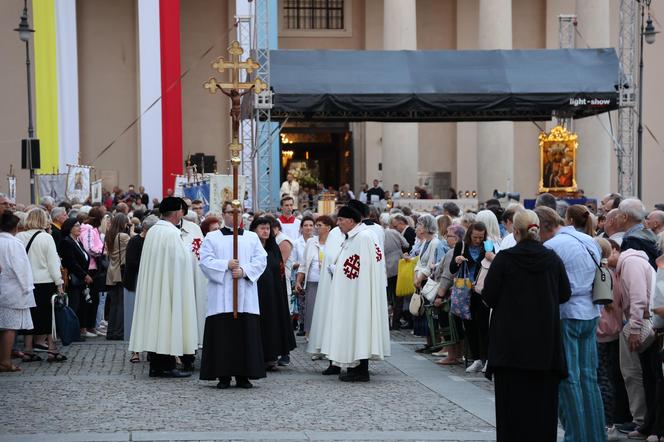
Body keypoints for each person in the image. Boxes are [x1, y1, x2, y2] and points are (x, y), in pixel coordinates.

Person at [481, 209, 571, 441]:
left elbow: (489, 296)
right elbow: (564, 293)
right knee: (543, 409)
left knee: (511, 410)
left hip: (510, 347)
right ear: (537, 230)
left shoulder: (504, 259)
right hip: (544, 345)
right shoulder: (552, 259)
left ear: (515, 231)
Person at [536, 206, 606, 442]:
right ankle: (596, 434)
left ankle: (576, 436)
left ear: (543, 226)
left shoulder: (553, 246)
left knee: (569, 378)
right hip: (591, 311)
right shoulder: (589, 239)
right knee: (589, 378)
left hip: (567, 313)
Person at [198, 202, 268, 389]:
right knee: (223, 335)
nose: (235, 216)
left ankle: (244, 375)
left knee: (245, 335)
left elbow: (261, 260)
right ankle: (223, 375)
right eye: (231, 212)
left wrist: (244, 271)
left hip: (245, 296)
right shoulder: (212, 237)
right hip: (221, 296)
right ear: (223, 214)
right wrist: (225, 265)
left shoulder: (252, 238)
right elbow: (204, 261)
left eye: (239, 212)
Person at [319, 205, 390, 382]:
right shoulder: (354, 237)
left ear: (351, 221)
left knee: (361, 326)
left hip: (360, 293)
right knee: (354, 327)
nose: (339, 223)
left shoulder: (364, 237)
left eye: (341, 220)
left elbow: (365, 267)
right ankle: (355, 366)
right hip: (352, 291)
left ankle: (361, 370)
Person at [129, 197, 198, 378]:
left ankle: (157, 365)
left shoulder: (153, 231)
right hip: (168, 286)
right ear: (177, 213)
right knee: (167, 322)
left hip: (156, 286)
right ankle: (167, 366)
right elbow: (181, 260)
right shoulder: (171, 233)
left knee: (157, 323)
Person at [611, 243, 659, 440]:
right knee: (643, 373)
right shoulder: (629, 264)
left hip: (640, 322)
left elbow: (639, 297)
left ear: (615, 250)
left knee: (633, 372)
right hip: (640, 320)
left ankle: (640, 419)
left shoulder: (630, 264)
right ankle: (643, 420)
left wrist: (636, 326)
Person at [16, 208, 66, 363]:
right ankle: (52, 349)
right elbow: (53, 264)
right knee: (48, 316)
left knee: (29, 316)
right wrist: (59, 283)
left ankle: (28, 349)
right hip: (44, 282)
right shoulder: (46, 238)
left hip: (25, 282)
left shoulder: (19, 236)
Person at [250, 216, 297, 371]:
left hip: (273, 294)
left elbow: (279, 269)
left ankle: (271, 356)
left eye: (267, 228)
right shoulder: (250, 247)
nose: (265, 231)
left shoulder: (273, 247)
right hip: (255, 293)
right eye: (262, 228)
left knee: (272, 324)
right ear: (254, 230)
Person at [449, 221, 494, 373]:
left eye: (481, 237)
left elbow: (493, 268)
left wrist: (491, 256)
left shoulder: (488, 245)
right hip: (465, 290)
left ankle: (487, 359)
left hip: (481, 291)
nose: (478, 240)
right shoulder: (461, 246)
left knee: (483, 327)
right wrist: (457, 260)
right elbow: (452, 269)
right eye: (475, 237)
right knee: (469, 326)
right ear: (470, 235)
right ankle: (476, 359)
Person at [0, 212, 35, 373]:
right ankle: (5, 361)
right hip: (12, 290)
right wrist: (28, 288)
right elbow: (22, 269)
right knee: (9, 327)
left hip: (5, 287)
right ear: (15, 227)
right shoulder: (14, 244)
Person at [122, 215, 158, 363]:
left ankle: (151, 349)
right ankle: (135, 351)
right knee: (134, 317)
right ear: (145, 229)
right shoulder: (135, 241)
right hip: (135, 282)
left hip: (150, 282)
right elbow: (131, 261)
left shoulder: (154, 241)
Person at [295, 215, 334, 336]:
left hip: (327, 281)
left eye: (319, 225)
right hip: (312, 280)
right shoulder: (311, 242)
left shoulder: (333, 243)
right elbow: (303, 264)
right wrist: (298, 281)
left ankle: (325, 334)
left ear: (328, 227)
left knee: (325, 310)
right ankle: (310, 334)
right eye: (316, 225)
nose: (316, 228)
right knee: (311, 309)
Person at [58, 218, 94, 340]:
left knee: (80, 305)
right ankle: (71, 333)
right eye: (77, 226)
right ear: (70, 228)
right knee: (74, 306)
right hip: (73, 279)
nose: (79, 228)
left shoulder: (77, 241)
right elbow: (71, 262)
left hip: (80, 279)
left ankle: (77, 331)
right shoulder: (66, 242)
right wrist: (84, 275)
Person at [105, 213, 130, 341]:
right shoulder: (123, 236)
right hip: (120, 271)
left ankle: (110, 332)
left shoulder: (110, 234)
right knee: (120, 303)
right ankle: (119, 332)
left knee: (114, 303)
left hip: (112, 270)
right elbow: (133, 244)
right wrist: (131, 230)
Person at [292, 215, 315, 336]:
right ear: (301, 228)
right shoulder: (296, 243)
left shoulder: (317, 240)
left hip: (314, 274)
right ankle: (302, 324)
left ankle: (312, 325)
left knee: (312, 301)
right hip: (301, 273)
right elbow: (293, 261)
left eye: (311, 225)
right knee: (301, 302)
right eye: (305, 225)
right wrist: (303, 264)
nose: (308, 228)